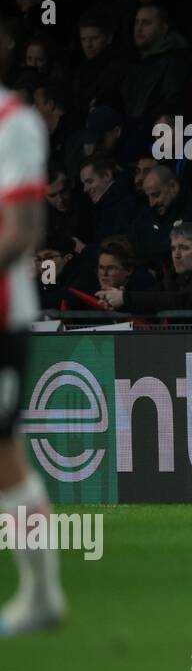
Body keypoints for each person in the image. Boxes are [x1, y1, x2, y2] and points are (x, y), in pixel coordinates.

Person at [0, 61, 66, 636]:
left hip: (3, 316)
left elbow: (22, 229)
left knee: (4, 456)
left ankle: (43, 594)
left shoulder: (13, 122)